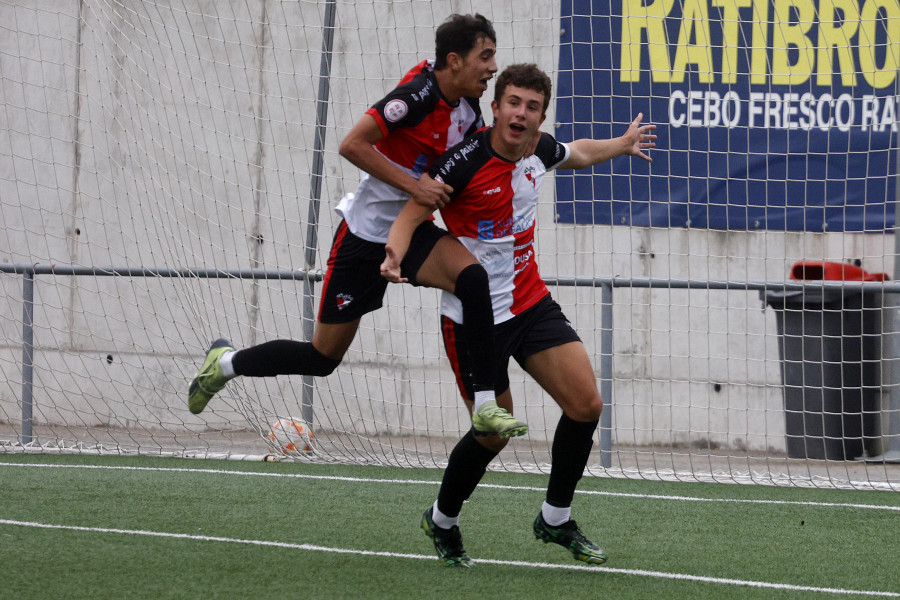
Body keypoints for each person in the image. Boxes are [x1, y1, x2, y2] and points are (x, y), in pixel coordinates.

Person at [187, 14, 526, 438]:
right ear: (455, 61)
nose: (493, 67)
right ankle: (224, 364)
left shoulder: (468, 109)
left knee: (472, 278)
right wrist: (415, 186)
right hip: (364, 238)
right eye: (486, 56)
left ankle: (485, 403)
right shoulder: (415, 96)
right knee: (322, 358)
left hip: (413, 232)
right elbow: (351, 144)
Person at [381, 63, 656, 567]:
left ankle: (554, 518)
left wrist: (621, 143)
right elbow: (413, 212)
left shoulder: (538, 151)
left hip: (530, 304)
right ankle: (441, 519)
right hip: (473, 319)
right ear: (495, 108)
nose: (521, 113)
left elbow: (576, 153)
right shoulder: (461, 163)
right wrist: (395, 253)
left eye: (531, 106)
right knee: (492, 431)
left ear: (539, 116)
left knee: (587, 404)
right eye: (513, 102)